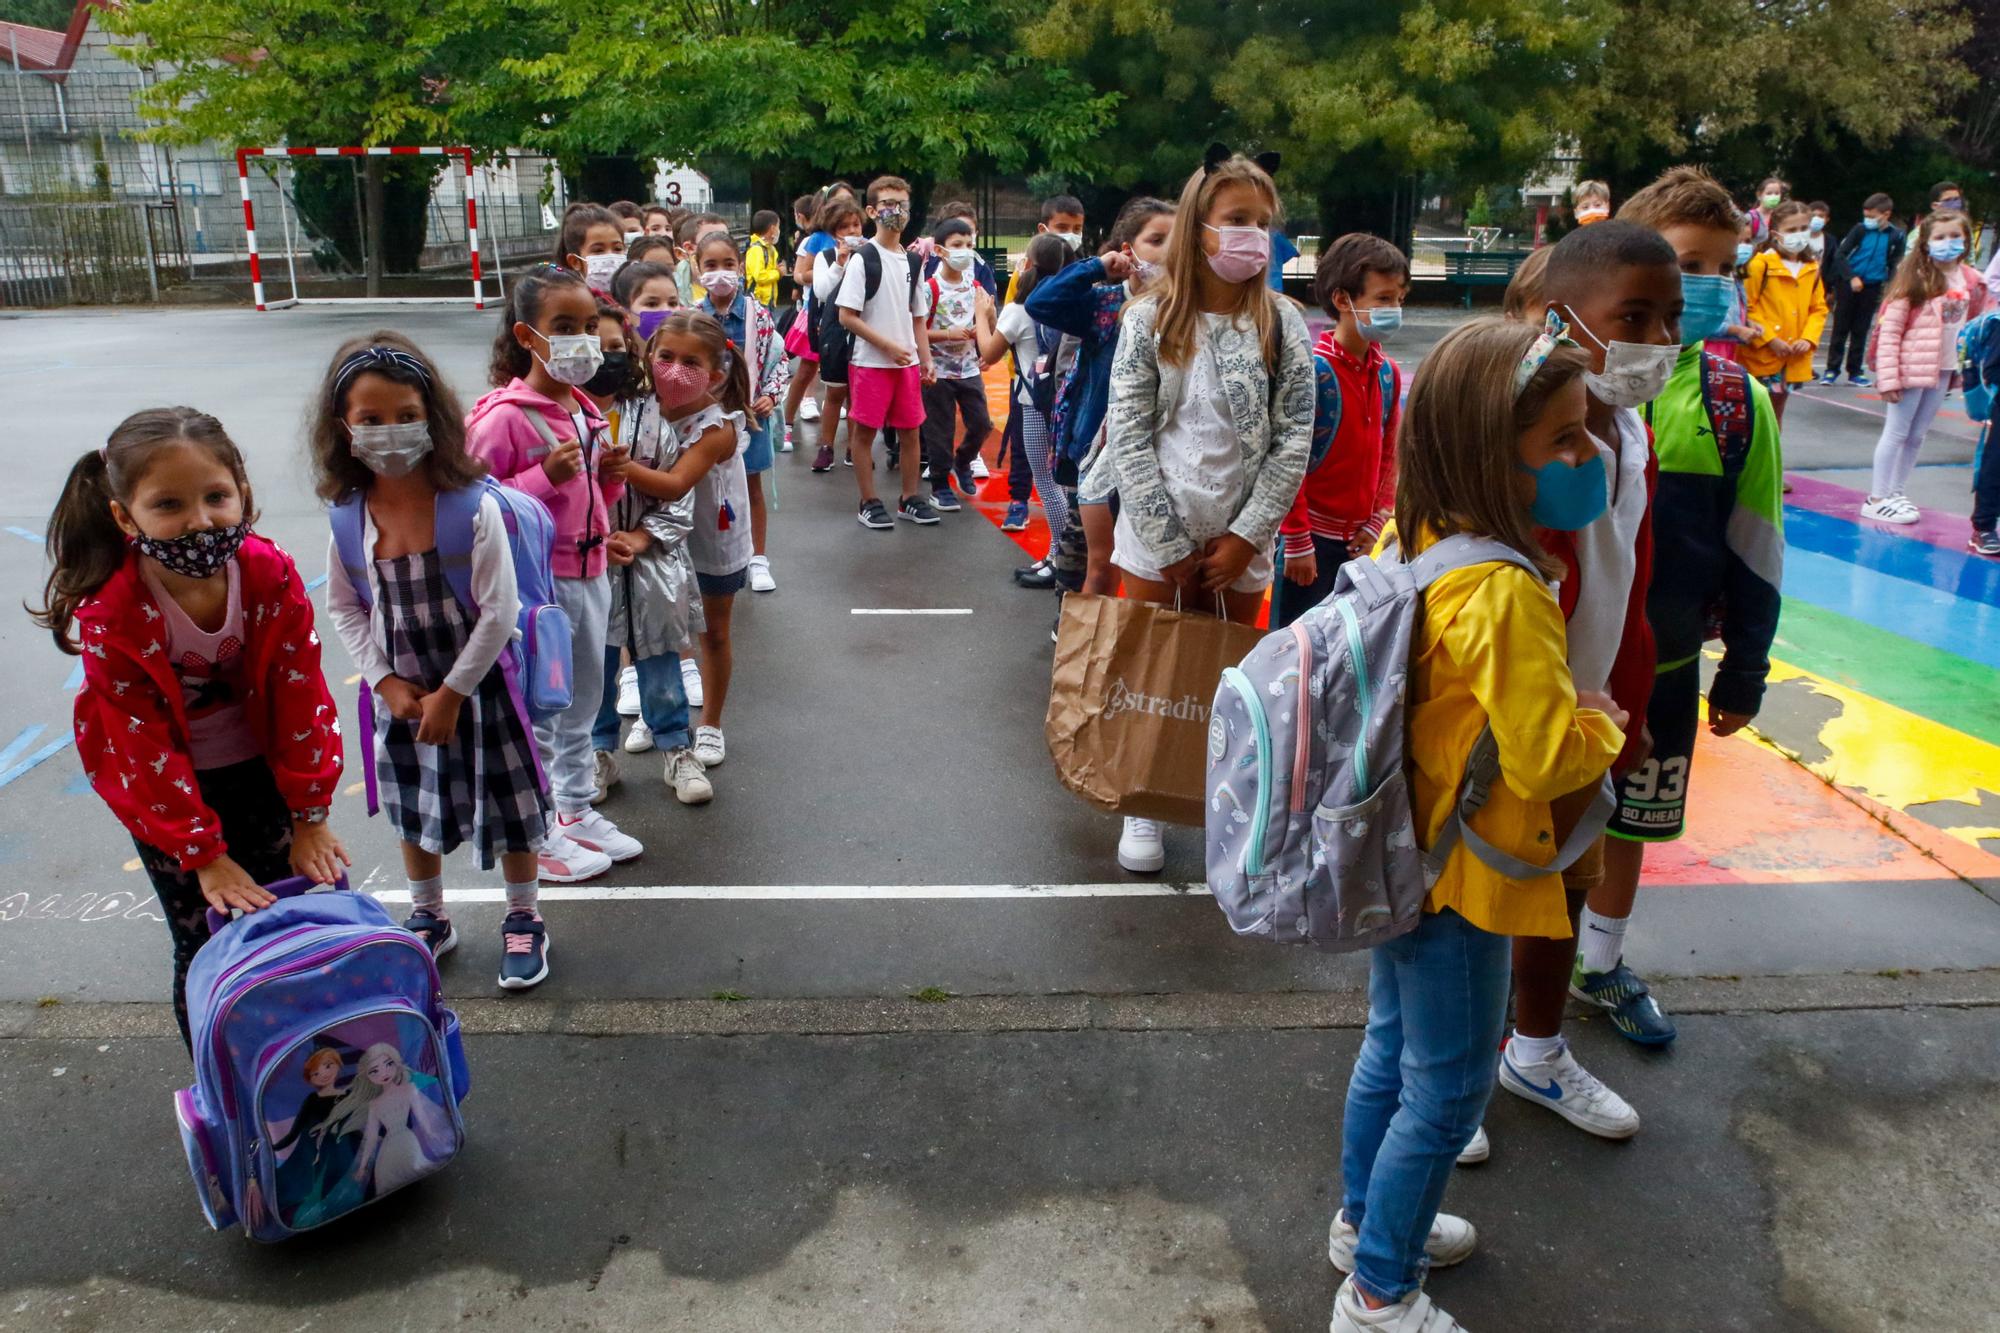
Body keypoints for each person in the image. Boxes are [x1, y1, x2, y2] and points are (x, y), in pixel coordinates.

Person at [1330, 317, 1627, 1333]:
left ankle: (1363, 1226)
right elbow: (1544, 758)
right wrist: (1600, 728)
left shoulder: (1408, 535)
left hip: (1395, 852)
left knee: (1388, 1048)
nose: (1588, 455)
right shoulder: (1504, 589)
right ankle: (1379, 1292)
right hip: (1464, 876)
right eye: (1563, 441)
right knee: (1450, 1091)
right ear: (1488, 457)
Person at [35, 407, 347, 1047]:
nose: (199, 521)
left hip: (262, 776)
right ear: (126, 518)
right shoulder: (114, 610)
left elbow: (301, 695)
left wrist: (310, 817)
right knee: (206, 937)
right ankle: (226, 1075)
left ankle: (308, 1060)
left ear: (243, 495)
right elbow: (136, 743)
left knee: (292, 917)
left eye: (216, 497)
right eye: (169, 504)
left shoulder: (267, 572)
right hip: (170, 800)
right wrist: (202, 856)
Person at [1479, 220, 1676, 1154]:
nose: (1656, 340)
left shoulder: (1632, 431)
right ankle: (1446, 1062)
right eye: (1633, 316)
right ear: (1562, 318)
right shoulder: (1507, 425)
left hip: (1590, 713)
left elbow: (1629, 584)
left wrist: (1624, 706)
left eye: (1669, 319)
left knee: (1562, 885)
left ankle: (1537, 1047)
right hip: (1500, 719)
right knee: (1465, 895)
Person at [1581, 166, 1785, 1045]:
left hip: (1662, 665)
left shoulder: (1738, 402)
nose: (1699, 288)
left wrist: (1745, 668)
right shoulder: (1564, 380)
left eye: (1718, 269)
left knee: (1630, 822)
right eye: (1684, 262)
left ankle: (1599, 963)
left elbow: (1756, 550)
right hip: (1550, 668)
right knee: (1527, 819)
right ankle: (1519, 971)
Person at [316, 334, 557, 989]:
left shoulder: (469, 505)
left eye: (404, 415)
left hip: (479, 687)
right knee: (413, 806)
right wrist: (386, 681)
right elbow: (345, 607)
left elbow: (498, 611)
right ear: (343, 427)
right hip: (404, 695)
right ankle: (429, 915)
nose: (389, 432)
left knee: (510, 808)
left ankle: (524, 915)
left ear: (433, 416)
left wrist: (452, 693)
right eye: (370, 420)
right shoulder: (347, 516)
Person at [1104, 152, 1313, 874]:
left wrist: (1247, 535)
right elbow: (1128, 432)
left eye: (1263, 222)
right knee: (1156, 670)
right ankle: (1143, 800)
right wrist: (1165, 539)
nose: (1253, 235)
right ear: (1199, 231)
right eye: (1236, 221)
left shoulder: (1282, 322)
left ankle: (1230, 804)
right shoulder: (1148, 320)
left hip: (1242, 536)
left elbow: (1293, 440)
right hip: (1156, 530)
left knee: (1234, 675)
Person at [466, 265, 644, 881]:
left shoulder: (586, 407)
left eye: (589, 327)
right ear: (526, 335)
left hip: (590, 571)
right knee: (543, 704)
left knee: (584, 698)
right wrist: (547, 478)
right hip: (540, 587)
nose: (582, 341)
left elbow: (589, 493)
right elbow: (473, 505)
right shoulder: (504, 418)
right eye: (563, 327)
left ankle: (573, 809)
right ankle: (535, 829)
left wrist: (610, 476)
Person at [1026, 196, 1176, 597]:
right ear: (1128, 250)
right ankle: (1074, 634)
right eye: (1157, 240)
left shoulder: (1182, 313)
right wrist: (1097, 265)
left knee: (1151, 566)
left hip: (1161, 459)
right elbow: (1041, 302)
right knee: (1089, 566)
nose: (1168, 252)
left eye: (1177, 242)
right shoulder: (1105, 303)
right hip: (1096, 454)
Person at [596, 315, 714, 803]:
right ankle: (596, 752)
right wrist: (591, 536)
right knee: (593, 664)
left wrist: (643, 537)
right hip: (587, 563)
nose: (603, 358)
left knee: (661, 658)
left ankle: (675, 749)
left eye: (613, 346)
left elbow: (678, 499)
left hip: (652, 561)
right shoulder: (559, 415)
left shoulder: (653, 417)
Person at [1276, 233, 1409, 628]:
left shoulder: (1388, 373)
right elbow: (1288, 458)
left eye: (1399, 299)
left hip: (1359, 544)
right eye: (1383, 299)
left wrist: (1376, 522)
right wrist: (1297, 538)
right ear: (1342, 300)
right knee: (1292, 648)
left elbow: (1389, 454)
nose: (1395, 309)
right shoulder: (1311, 372)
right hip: (1308, 543)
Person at [652, 311, 754, 770]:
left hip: (714, 544)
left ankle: (710, 723)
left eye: (690, 362)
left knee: (713, 633)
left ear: (715, 374)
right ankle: (660, 713)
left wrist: (612, 465)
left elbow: (674, 484)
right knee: (656, 631)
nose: (674, 370)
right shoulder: (643, 410)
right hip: (658, 540)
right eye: (665, 356)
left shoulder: (718, 427)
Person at [1864, 209, 1988, 524]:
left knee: (1917, 434)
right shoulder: (1915, 279)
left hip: (1943, 369)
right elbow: (1890, 332)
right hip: (1909, 369)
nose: (1949, 242)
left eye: (1955, 236)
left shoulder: (1971, 279)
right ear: (1926, 242)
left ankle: (1896, 491)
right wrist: (1888, 378)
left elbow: (1974, 320)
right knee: (1896, 431)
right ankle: (1877, 497)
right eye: (1940, 237)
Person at [837, 175, 939, 529]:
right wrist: (887, 346)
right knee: (864, 433)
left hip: (906, 364)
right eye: (888, 205)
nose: (896, 212)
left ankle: (909, 497)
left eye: (902, 205)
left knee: (911, 432)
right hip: (870, 363)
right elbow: (846, 316)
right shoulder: (863, 258)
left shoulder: (913, 262)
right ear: (872, 211)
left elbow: (918, 318)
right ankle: (869, 500)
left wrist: (924, 359)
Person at [976, 234, 1077, 575]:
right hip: (1070, 402)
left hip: (1034, 403)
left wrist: (981, 314)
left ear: (1029, 265)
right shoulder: (1073, 301)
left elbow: (989, 352)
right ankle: (1062, 554)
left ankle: (1061, 558)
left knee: (1046, 484)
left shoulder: (1022, 308)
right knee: (1065, 482)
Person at [696, 229, 788, 592]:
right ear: (697, 269)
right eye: (711, 265)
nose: (720, 273)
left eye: (728, 264)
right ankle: (711, 556)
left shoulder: (759, 315)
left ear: (740, 267)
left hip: (750, 418)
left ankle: (757, 558)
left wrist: (771, 394)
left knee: (752, 488)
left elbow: (778, 361)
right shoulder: (693, 317)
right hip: (704, 420)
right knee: (705, 488)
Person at [919, 219, 995, 512]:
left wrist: (984, 328)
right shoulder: (930, 288)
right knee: (940, 429)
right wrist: (947, 334)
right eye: (957, 246)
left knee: (981, 422)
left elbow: (990, 321)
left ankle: (963, 461)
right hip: (937, 370)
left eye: (968, 245)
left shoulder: (975, 287)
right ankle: (940, 485)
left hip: (968, 368)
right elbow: (916, 331)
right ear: (939, 250)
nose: (964, 251)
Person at [1738, 200, 1826, 424]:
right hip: (1763, 356)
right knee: (1754, 414)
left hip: (1792, 358)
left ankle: (1773, 457)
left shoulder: (1812, 268)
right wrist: (1770, 339)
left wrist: (1808, 338)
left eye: (1803, 229)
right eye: (1791, 230)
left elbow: (1818, 308)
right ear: (1777, 234)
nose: (1799, 234)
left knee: (1777, 414)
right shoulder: (1761, 264)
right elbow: (1747, 307)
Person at [808, 196, 868, 474]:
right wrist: (840, 263)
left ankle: (854, 448)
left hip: (863, 327)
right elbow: (821, 291)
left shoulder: (871, 254)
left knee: (858, 394)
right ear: (834, 233)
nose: (853, 231)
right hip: (834, 327)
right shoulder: (826, 256)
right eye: (845, 227)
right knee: (835, 391)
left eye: (856, 224)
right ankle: (826, 446)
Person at [1825, 192, 1904, 386]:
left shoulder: (1895, 235)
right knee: (1841, 327)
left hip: (1873, 285)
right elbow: (1841, 255)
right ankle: (1832, 369)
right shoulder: (1859, 230)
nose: (1867, 220)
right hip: (1849, 283)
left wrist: (1891, 285)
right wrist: (1851, 276)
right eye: (1866, 216)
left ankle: (1855, 370)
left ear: (1886, 214)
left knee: (1861, 329)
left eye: (1872, 216)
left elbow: (1895, 262)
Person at [785, 192, 833, 435]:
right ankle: (787, 422)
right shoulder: (816, 239)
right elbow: (800, 275)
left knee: (843, 375)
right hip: (817, 312)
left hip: (848, 313)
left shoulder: (860, 241)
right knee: (807, 368)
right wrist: (834, 270)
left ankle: (837, 443)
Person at [1005, 195, 1088, 303]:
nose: (1070, 235)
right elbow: (1011, 313)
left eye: (1077, 229)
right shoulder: (1024, 272)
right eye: (1062, 228)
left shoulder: (1086, 270)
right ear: (1043, 229)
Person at [556, 204, 627, 299]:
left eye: (617, 249)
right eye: (598, 250)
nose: (610, 256)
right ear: (575, 261)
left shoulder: (638, 299)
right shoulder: (570, 306)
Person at [745, 209, 783, 310]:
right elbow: (759, 276)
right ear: (772, 229)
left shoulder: (770, 248)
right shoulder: (756, 250)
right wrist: (778, 273)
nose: (779, 230)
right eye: (778, 227)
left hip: (768, 300)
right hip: (759, 302)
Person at [1744, 175, 1788, 240]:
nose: (1773, 196)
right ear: (1759, 195)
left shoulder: (1782, 216)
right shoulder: (1750, 218)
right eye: (1769, 193)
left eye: (1777, 193)